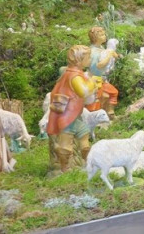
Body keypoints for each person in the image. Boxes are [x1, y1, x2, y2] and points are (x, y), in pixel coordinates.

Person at [47, 45, 100, 173]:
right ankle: (64, 168)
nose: (90, 59)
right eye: (88, 57)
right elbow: (83, 91)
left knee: (84, 132)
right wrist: (92, 82)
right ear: (79, 59)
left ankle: (87, 161)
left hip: (73, 115)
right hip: (66, 116)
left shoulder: (74, 73)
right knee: (65, 143)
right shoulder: (74, 76)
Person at [86, 26, 120, 120]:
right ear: (95, 38)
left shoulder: (100, 47)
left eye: (104, 34)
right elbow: (98, 66)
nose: (105, 36)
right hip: (95, 79)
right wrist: (109, 55)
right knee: (99, 97)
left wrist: (114, 55)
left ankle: (110, 113)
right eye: (102, 35)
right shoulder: (93, 51)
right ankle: (96, 117)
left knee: (113, 92)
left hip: (102, 78)